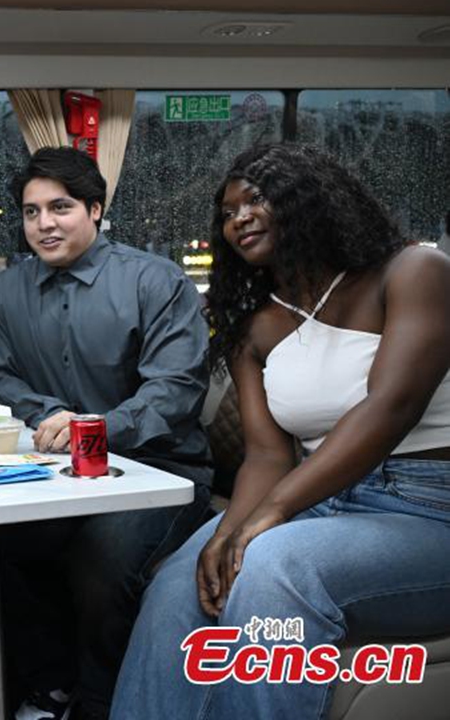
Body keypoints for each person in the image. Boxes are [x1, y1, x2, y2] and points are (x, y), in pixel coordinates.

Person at [112, 143, 450, 719]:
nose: (238, 217)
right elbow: (268, 456)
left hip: (427, 505)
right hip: (321, 502)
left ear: (311, 198)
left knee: (275, 566)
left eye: (257, 199)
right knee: (178, 583)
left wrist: (268, 518)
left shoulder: (415, 270)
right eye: (227, 211)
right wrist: (226, 533)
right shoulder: (255, 326)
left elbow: (391, 406)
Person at [0, 146, 213, 720]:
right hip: (54, 472)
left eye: (60, 207)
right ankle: (51, 683)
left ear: (95, 209)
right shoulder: (5, 293)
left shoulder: (156, 280)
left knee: (103, 560)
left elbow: (175, 390)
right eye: (31, 213)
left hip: (159, 469)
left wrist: (94, 428)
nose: (44, 224)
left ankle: (103, 705)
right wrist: (52, 412)